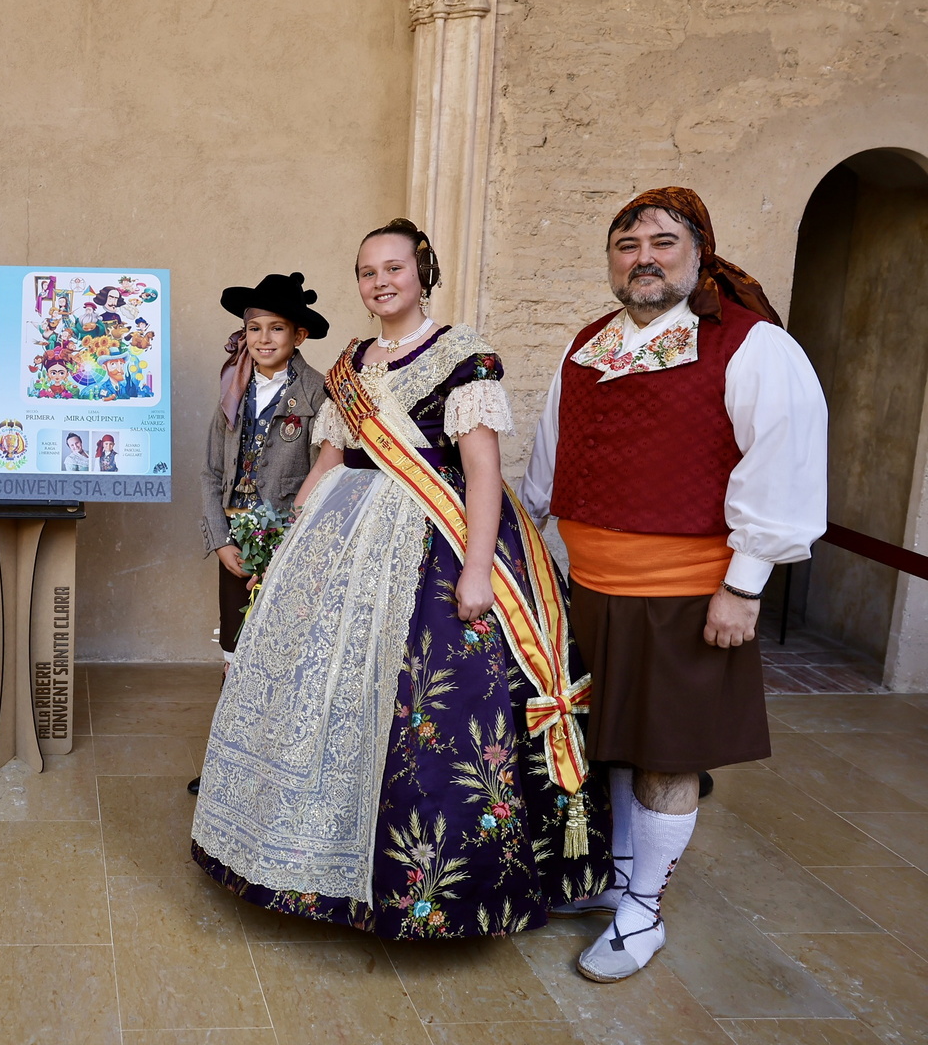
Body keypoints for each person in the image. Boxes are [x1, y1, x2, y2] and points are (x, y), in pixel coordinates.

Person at [192, 220, 610, 938]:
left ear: (423, 273)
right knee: (321, 688)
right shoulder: (351, 362)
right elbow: (331, 455)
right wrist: (295, 531)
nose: (380, 281)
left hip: (434, 538)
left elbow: (482, 472)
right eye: (367, 271)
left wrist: (477, 570)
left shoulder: (463, 356)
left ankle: (426, 884)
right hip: (343, 534)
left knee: (425, 701)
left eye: (393, 267)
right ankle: (302, 853)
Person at [519, 187, 826, 982]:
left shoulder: (751, 345)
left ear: (700, 254)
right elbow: (552, 455)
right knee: (613, 743)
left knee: (667, 755)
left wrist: (745, 586)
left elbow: (781, 464)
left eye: (663, 243)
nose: (643, 258)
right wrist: (526, 547)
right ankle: (618, 879)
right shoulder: (588, 344)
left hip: (687, 593)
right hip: (589, 587)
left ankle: (644, 912)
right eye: (627, 245)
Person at [188, 272, 329, 796]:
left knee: (283, 655)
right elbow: (210, 472)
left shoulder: (319, 394)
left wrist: (292, 544)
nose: (264, 339)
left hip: (290, 544)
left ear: (299, 335)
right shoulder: (233, 391)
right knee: (235, 652)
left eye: (276, 328)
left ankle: (276, 774)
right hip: (237, 545)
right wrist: (220, 539)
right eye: (254, 328)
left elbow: (326, 476)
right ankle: (227, 769)